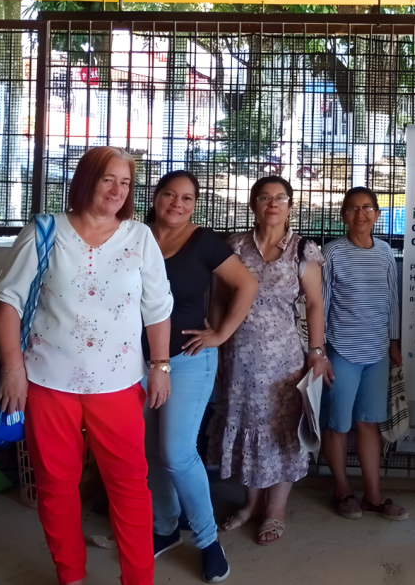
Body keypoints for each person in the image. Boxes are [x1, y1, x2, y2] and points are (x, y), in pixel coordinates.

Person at [0, 146, 173, 585]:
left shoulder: (139, 237)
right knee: (55, 486)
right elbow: (7, 302)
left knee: (129, 485)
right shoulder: (46, 230)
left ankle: (139, 578)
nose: (117, 190)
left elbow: (157, 307)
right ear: (86, 179)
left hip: (119, 382)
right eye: (108, 178)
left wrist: (161, 365)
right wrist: (14, 369)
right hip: (48, 380)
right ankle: (70, 575)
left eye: (125, 182)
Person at [143, 170, 258, 581]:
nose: (177, 203)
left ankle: (208, 541)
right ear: (155, 197)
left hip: (187, 360)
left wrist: (221, 334)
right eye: (170, 195)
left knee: (176, 453)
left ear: (195, 204)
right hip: (133, 364)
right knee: (151, 454)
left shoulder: (204, 241)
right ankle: (165, 528)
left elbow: (246, 284)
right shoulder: (136, 236)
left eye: (187, 198)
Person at [209, 176, 326, 545]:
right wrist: (216, 336)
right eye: (264, 197)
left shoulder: (303, 250)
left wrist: (317, 352)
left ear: (290, 205)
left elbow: (314, 304)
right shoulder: (235, 247)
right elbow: (217, 297)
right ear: (253, 204)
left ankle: (275, 510)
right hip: (238, 356)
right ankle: (249, 504)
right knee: (244, 425)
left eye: (280, 198)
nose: (272, 204)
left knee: (281, 431)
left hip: (283, 358)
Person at [320, 186, 407, 521]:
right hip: (340, 350)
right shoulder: (332, 254)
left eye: (368, 208)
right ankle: (343, 491)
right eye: (353, 208)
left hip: (378, 351)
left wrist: (394, 342)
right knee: (337, 424)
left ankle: (374, 496)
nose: (361, 214)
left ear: (377, 215)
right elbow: (322, 305)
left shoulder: (385, 253)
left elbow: (392, 303)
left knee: (369, 424)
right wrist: (321, 351)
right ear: (344, 214)